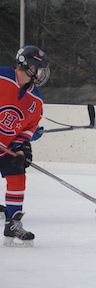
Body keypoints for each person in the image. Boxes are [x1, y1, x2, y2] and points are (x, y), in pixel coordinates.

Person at [0, 45, 50, 247]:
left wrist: (21, 148)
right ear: (30, 67)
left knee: (17, 176)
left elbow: (28, 128)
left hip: (6, 147)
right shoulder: (2, 77)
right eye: (41, 68)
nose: (42, 73)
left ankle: (13, 223)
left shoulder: (36, 100)